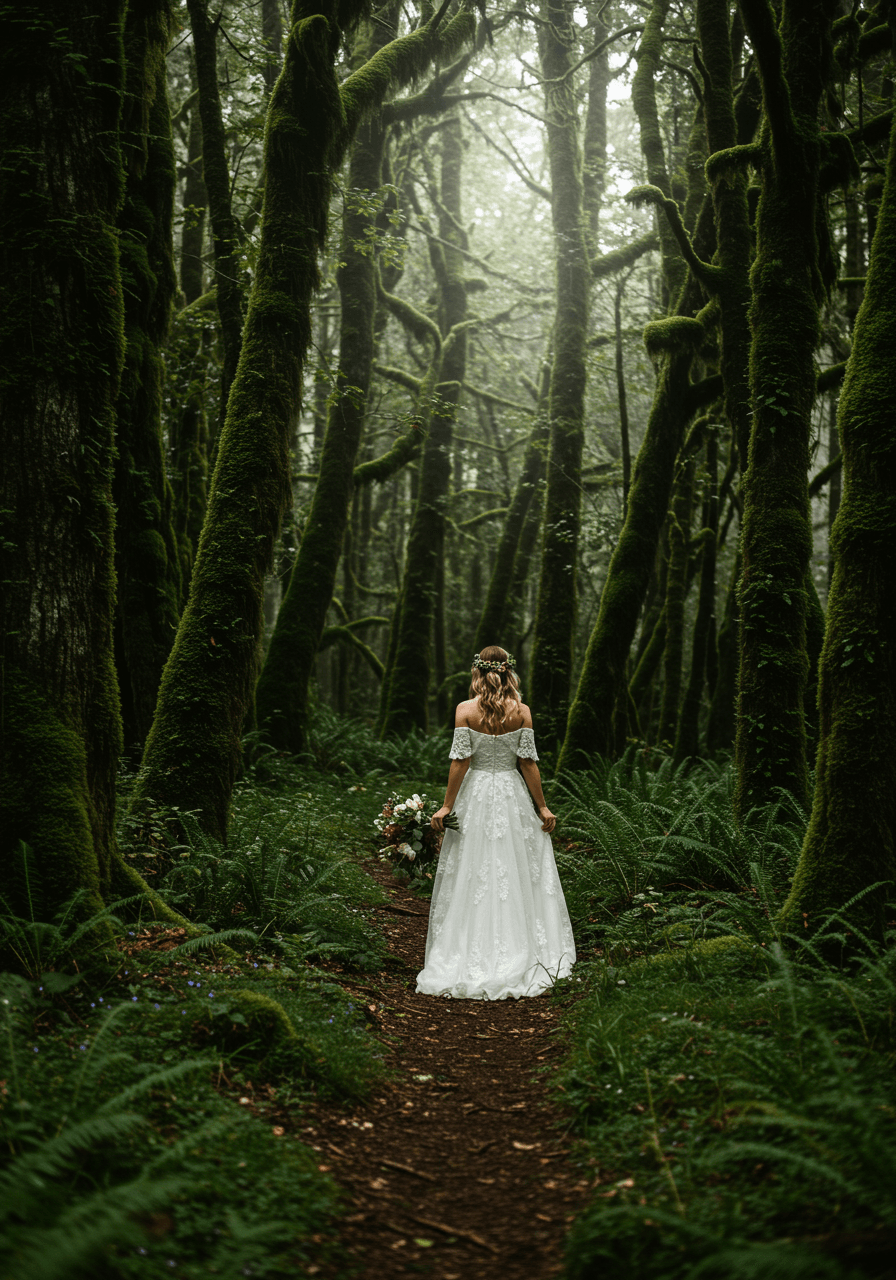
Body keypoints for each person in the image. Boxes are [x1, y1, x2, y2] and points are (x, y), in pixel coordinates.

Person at [416, 646, 576, 1000]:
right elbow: (527, 763)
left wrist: (446, 806)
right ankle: (519, 945)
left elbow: (460, 761)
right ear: (509, 673)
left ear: (477, 672)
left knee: (472, 868)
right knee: (513, 865)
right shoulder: (522, 711)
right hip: (510, 795)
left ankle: (467, 946)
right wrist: (542, 807)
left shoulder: (464, 710)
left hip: (475, 795)